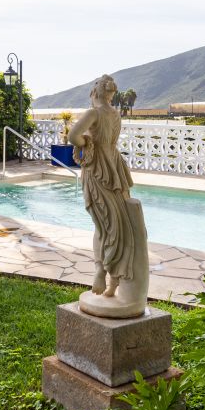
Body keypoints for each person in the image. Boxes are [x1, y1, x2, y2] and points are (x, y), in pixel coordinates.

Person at [69, 74, 149, 318]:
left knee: (103, 225)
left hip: (99, 170)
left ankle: (101, 272)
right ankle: (113, 282)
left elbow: (73, 136)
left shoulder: (93, 113)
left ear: (95, 92)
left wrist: (85, 142)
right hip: (115, 167)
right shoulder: (115, 113)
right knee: (118, 223)